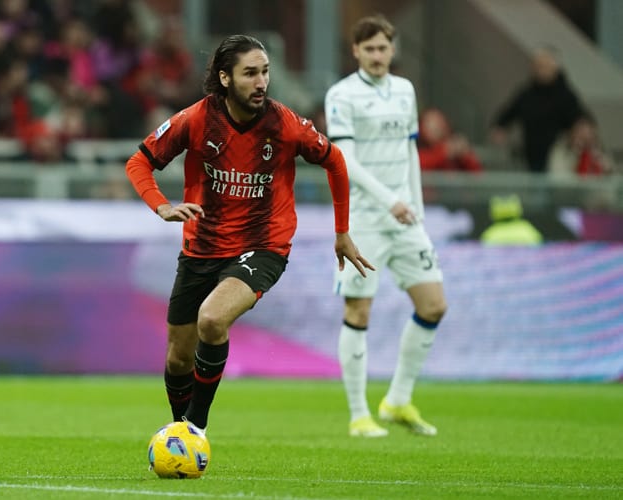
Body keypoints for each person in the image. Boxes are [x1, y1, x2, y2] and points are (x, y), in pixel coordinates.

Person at [125, 34, 373, 433]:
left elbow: (335, 161)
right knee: (177, 358)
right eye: (250, 74)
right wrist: (163, 206)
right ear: (225, 79)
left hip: (263, 246)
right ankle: (181, 433)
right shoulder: (196, 120)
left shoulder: (286, 125)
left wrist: (342, 232)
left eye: (265, 73)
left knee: (212, 319)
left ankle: (195, 430)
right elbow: (139, 162)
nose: (261, 83)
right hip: (201, 247)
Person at [324, 14, 447, 438]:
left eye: (383, 48)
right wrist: (390, 200)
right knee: (359, 310)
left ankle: (397, 400)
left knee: (433, 305)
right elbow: (346, 162)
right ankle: (359, 415)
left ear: (393, 50)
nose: (377, 55)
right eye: (369, 48)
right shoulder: (342, 95)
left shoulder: (405, 91)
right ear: (356, 51)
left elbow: (410, 151)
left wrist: (415, 204)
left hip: (405, 215)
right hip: (363, 219)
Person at [489, 46, 583, 173]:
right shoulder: (527, 94)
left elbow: (578, 120)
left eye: (545, 66)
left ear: (555, 68)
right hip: (531, 155)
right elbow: (509, 112)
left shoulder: (565, 95)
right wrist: (500, 126)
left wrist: (576, 135)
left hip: (558, 157)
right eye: (538, 66)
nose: (541, 70)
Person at [547, 112, 613, 178]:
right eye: (581, 138)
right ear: (572, 135)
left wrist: (606, 170)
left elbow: (612, 178)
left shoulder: (599, 154)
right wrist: (576, 158)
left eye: (588, 139)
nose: (583, 144)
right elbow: (559, 180)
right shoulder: (561, 153)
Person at [418, 107, 483, 172]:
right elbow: (421, 165)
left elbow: (477, 173)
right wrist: (444, 152)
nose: (435, 127)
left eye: (439, 121)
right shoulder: (418, 149)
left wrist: (464, 155)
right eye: (429, 122)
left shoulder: (455, 147)